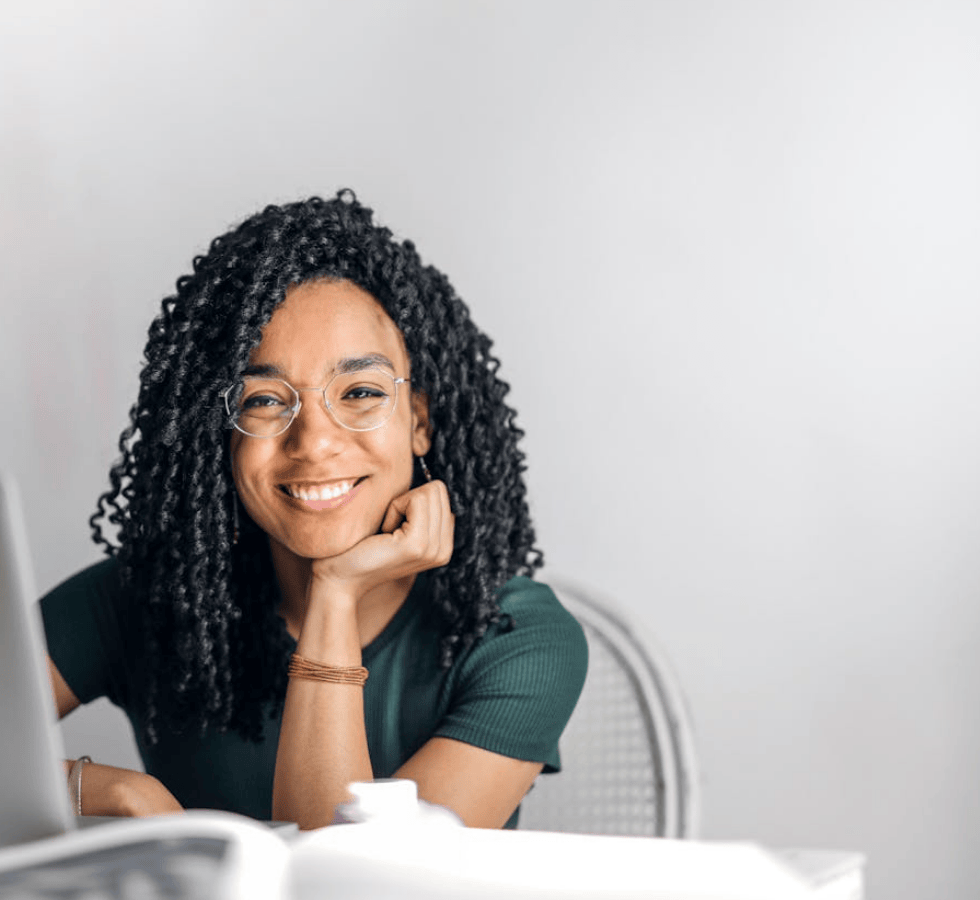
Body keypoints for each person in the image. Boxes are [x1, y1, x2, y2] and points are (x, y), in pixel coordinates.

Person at [39, 190, 587, 830]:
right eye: (265, 401)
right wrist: (113, 792)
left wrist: (335, 591)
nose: (315, 441)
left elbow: (352, 887)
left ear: (419, 422)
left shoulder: (515, 636)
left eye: (359, 392)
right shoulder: (145, 597)